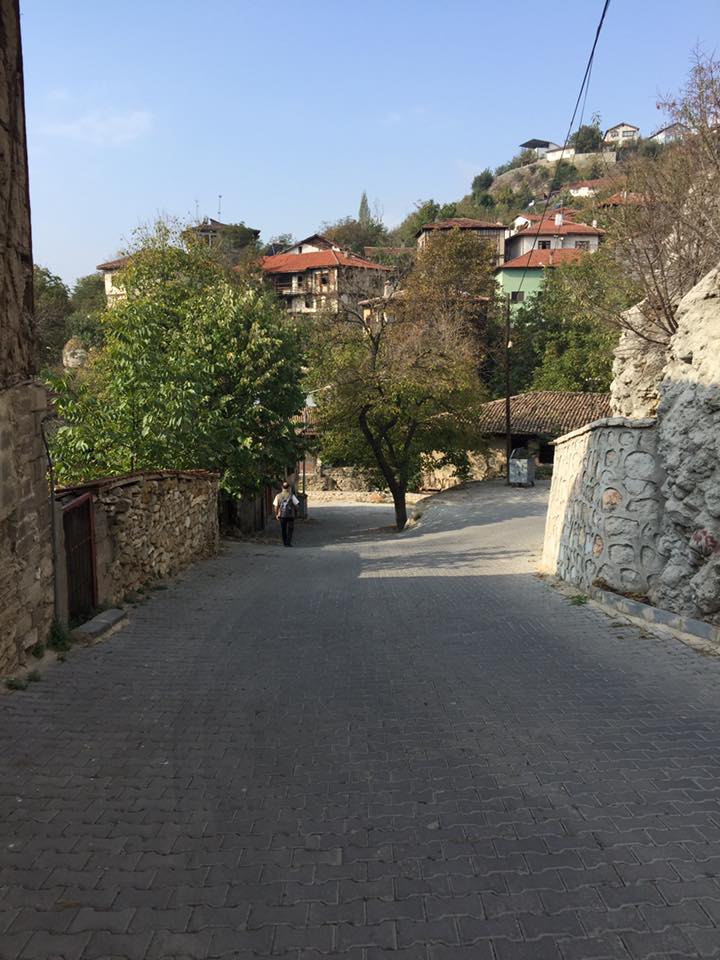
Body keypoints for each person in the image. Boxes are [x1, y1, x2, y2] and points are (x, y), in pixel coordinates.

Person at [273, 481, 300, 547]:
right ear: (288, 488)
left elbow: (275, 506)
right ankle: (288, 542)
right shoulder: (292, 496)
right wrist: (296, 512)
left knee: (283, 529)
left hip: (282, 515)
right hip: (290, 515)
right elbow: (297, 505)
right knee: (290, 529)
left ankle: (285, 543)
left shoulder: (278, 496)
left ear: (282, 487)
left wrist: (276, 514)